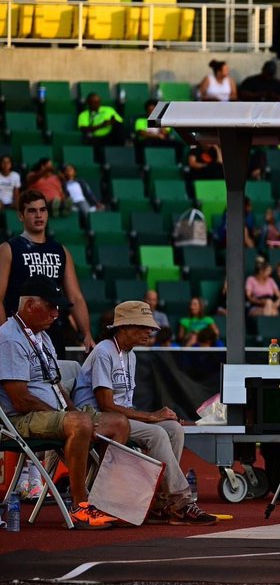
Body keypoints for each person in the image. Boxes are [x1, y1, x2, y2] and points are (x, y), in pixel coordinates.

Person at [73, 301, 218, 526]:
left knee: (174, 429)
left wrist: (154, 417)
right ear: (123, 327)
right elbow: (106, 405)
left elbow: (124, 406)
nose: (149, 331)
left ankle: (160, 504)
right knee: (157, 433)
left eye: (149, 327)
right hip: (95, 418)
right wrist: (151, 417)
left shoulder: (129, 355)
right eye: (142, 327)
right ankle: (181, 502)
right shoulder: (103, 351)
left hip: (119, 418)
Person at [0, 276, 127, 528]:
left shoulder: (42, 336)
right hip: (20, 420)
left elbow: (56, 384)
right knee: (80, 423)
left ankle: (102, 499)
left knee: (118, 423)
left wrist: (72, 411)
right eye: (50, 306)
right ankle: (80, 506)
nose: (56, 314)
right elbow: (20, 399)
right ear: (29, 305)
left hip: (50, 414)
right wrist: (68, 418)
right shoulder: (10, 339)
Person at [0, 190, 95, 355]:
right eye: (32, 210)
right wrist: (4, 335)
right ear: (21, 216)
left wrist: (86, 333)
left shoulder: (61, 251)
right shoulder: (8, 249)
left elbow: (75, 297)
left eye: (42, 210)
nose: (38, 215)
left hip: (52, 332)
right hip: (19, 332)